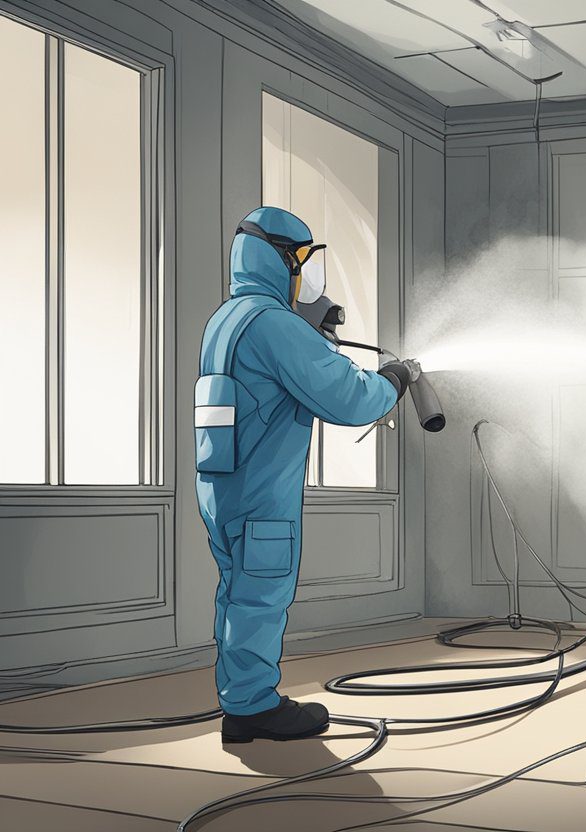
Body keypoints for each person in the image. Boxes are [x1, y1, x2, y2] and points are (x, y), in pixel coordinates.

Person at [195, 206, 417, 743]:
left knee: (237, 596)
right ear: (280, 260)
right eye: (301, 262)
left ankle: (240, 701)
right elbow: (349, 398)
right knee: (261, 596)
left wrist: (311, 338)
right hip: (261, 496)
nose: (305, 277)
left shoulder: (228, 318)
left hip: (221, 488)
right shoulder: (275, 325)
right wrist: (392, 379)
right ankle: (252, 708)